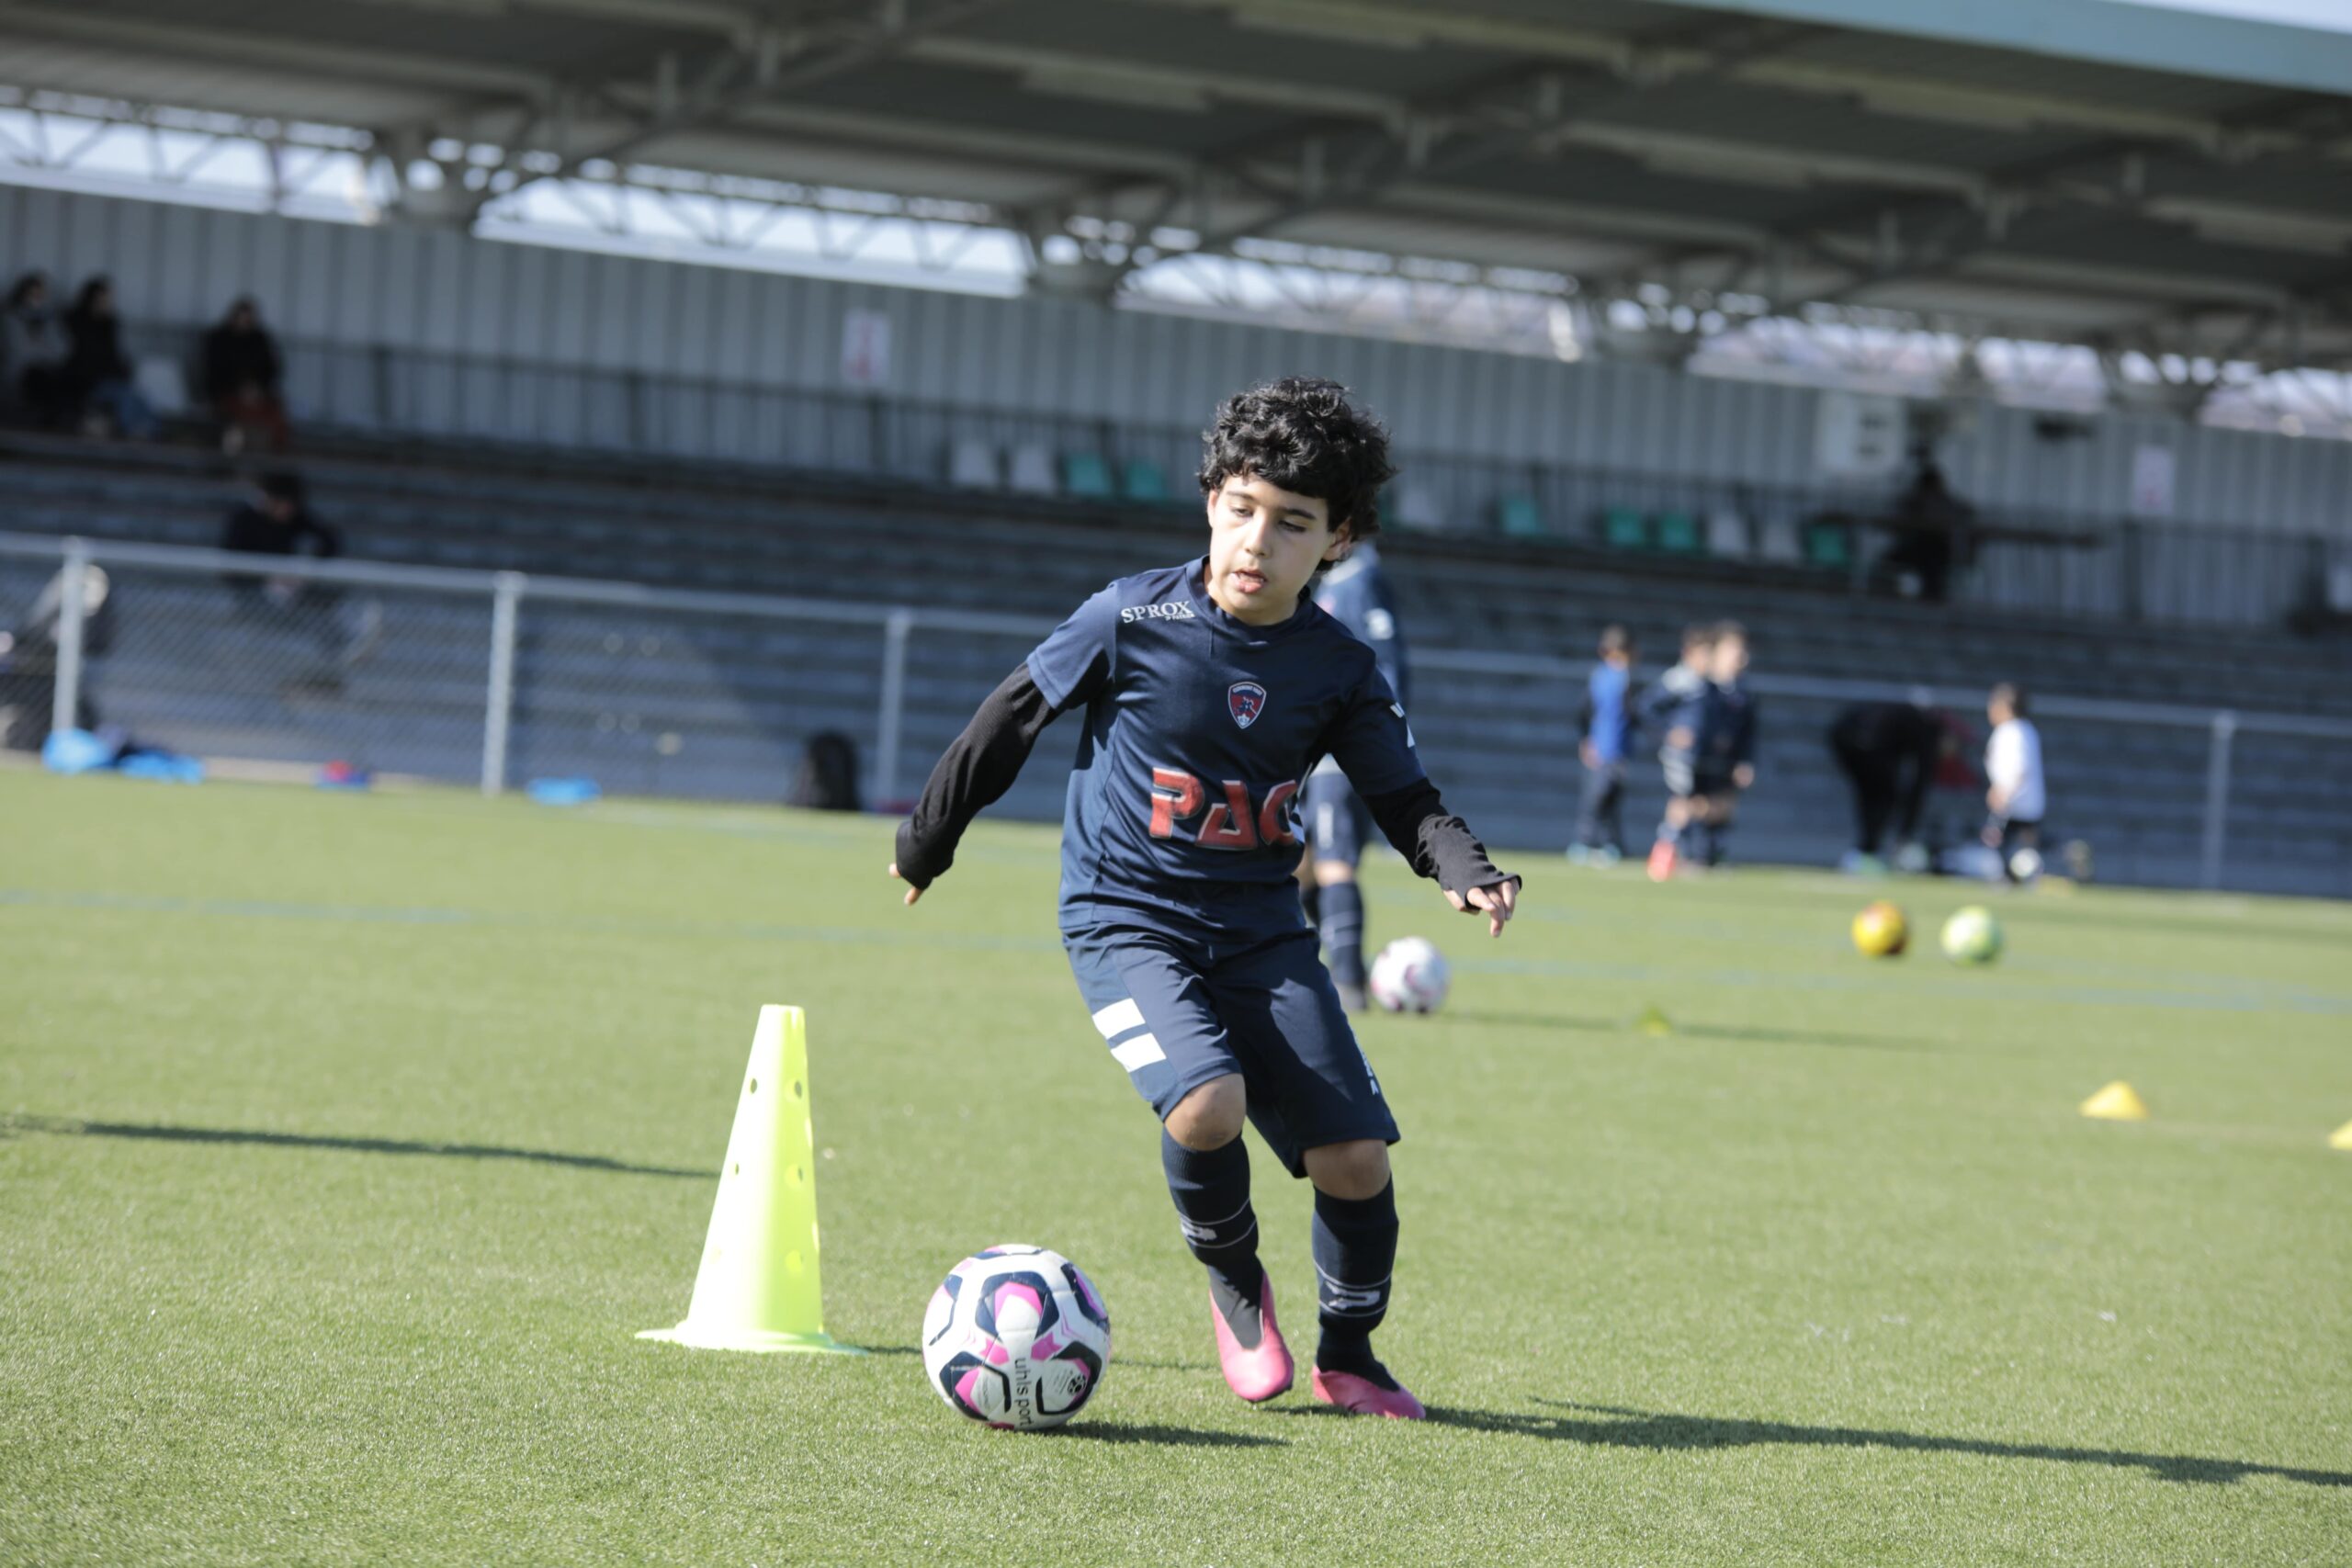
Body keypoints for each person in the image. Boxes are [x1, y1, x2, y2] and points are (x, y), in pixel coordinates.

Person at [888, 378, 1521, 1421]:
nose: (1256, 541)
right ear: (1210, 498)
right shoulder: (1128, 617)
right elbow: (1009, 720)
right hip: (1123, 916)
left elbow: (1404, 798)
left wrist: (1465, 868)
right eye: (1241, 508)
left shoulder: (1339, 667)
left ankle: (1350, 1356)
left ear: (1338, 541)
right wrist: (929, 838)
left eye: (1293, 524)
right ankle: (1236, 1287)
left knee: (1355, 1160)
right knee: (1206, 1102)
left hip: (1263, 934)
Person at [1301, 537, 1409, 1010]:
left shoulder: (1360, 580)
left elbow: (1386, 661)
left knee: (1332, 862)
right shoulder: (1330, 582)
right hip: (1306, 752)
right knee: (1296, 863)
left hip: (1336, 753)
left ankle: (1348, 982)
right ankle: (1321, 967)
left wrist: (1375, 737)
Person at [220, 472, 379, 675]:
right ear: (271, 500)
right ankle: (342, 647)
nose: (289, 511)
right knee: (305, 612)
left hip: (293, 591)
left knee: (328, 592)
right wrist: (266, 579)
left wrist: (306, 567)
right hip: (253, 595)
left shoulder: (297, 518)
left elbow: (330, 540)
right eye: (286, 504)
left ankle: (349, 640)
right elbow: (230, 570)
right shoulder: (243, 520)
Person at [1827, 700, 1948, 873]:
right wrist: (1905, 834)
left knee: (1874, 796)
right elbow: (1919, 785)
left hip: (1845, 734)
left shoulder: (1908, 720)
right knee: (1883, 797)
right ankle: (1867, 853)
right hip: (1864, 740)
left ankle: (1865, 852)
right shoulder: (1927, 732)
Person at [1640, 623, 1715, 881]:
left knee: (1693, 804)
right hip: (1678, 756)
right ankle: (1663, 854)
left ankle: (1682, 855)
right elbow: (1646, 707)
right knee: (1682, 802)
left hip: (1699, 757)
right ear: (1689, 652)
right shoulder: (1678, 680)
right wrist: (1668, 733)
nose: (1708, 660)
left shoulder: (1706, 684)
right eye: (1704, 653)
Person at [1685, 621, 1757, 868]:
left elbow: (1748, 733)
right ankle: (1694, 852)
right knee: (1699, 806)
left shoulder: (1743, 694)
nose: (1740, 656)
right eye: (1733, 650)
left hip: (1727, 761)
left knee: (1724, 806)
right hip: (1700, 760)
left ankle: (1716, 852)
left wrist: (1745, 761)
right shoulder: (1700, 688)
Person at [1570, 624, 1637, 864]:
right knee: (1594, 798)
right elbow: (1583, 711)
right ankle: (1583, 843)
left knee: (1613, 799)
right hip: (1601, 750)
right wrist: (1586, 740)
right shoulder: (1600, 678)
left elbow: (1632, 716)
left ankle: (1613, 845)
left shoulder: (1626, 679)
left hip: (1619, 752)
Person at [62, 276, 160, 440]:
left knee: (139, 397)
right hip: (87, 381)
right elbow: (82, 356)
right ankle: (130, 431)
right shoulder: (76, 322)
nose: (107, 304)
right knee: (125, 398)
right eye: (103, 299)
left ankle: (149, 430)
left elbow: (115, 356)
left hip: (111, 379)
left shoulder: (110, 325)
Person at [203, 297, 289, 453]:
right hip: (227, 394)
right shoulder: (219, 339)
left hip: (259, 395)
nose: (244, 322)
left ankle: (274, 457)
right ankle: (234, 456)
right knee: (237, 421)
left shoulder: (259, 340)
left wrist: (256, 389)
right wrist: (238, 388)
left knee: (274, 417)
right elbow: (214, 371)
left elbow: (271, 369)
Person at [1981, 682, 2045, 884]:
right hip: (2028, 802)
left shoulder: (2013, 732)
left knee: (1996, 840)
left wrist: (2003, 793)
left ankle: (2008, 878)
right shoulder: (2026, 730)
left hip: (2015, 803)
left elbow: (2019, 768)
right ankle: (2016, 877)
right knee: (2022, 845)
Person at [2, 272, 73, 428]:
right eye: (33, 295)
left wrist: (43, 331)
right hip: (21, 373)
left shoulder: (50, 320)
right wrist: (42, 350)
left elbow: (62, 350)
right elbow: (19, 352)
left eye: (41, 295)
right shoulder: (11, 319)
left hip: (49, 371)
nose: (37, 299)